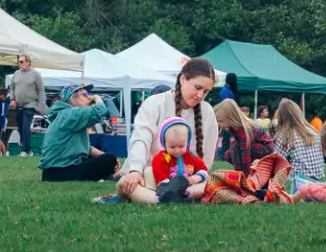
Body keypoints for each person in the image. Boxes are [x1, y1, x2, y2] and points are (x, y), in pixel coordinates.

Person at [114, 58, 220, 205]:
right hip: (149, 178)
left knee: (212, 182)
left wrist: (196, 178)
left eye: (206, 91)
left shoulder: (207, 111)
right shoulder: (155, 103)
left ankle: (176, 195)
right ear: (182, 79)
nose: (200, 95)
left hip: (187, 180)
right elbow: (141, 140)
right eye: (197, 87)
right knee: (126, 184)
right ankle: (165, 198)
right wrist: (135, 171)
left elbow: (206, 157)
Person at [40, 84, 119, 182]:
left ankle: (105, 175)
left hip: (52, 171)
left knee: (103, 158)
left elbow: (86, 148)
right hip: (59, 171)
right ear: (74, 99)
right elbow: (100, 111)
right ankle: (107, 176)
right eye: (85, 95)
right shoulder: (71, 113)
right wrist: (97, 98)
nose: (89, 98)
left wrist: (102, 155)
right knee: (109, 159)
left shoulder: (64, 114)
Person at [271, 100, 326, 192]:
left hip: (299, 183)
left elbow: (276, 162)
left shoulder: (286, 135)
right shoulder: (313, 132)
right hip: (319, 181)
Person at [150, 117, 209, 202]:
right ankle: (172, 194)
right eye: (172, 147)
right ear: (164, 143)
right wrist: (166, 184)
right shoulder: (163, 157)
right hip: (168, 188)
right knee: (148, 173)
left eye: (181, 146)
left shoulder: (191, 156)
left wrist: (198, 177)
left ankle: (186, 195)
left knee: (206, 184)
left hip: (190, 187)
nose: (177, 151)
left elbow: (203, 169)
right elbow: (160, 173)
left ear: (187, 142)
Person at [215, 99, 278, 177]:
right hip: (255, 148)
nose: (218, 124)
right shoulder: (233, 128)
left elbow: (245, 156)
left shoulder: (244, 130)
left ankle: (243, 175)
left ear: (231, 118)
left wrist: (247, 175)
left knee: (235, 148)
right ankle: (239, 173)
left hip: (267, 151)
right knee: (229, 154)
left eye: (221, 121)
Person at [9, 54, 47, 157]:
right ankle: (27, 149)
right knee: (20, 128)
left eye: (21, 62)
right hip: (18, 105)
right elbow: (11, 88)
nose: (19, 64)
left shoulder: (36, 74)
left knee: (26, 126)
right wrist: (12, 99)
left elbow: (41, 91)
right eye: (18, 62)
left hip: (31, 104)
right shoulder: (16, 74)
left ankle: (25, 150)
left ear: (28, 62)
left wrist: (42, 106)